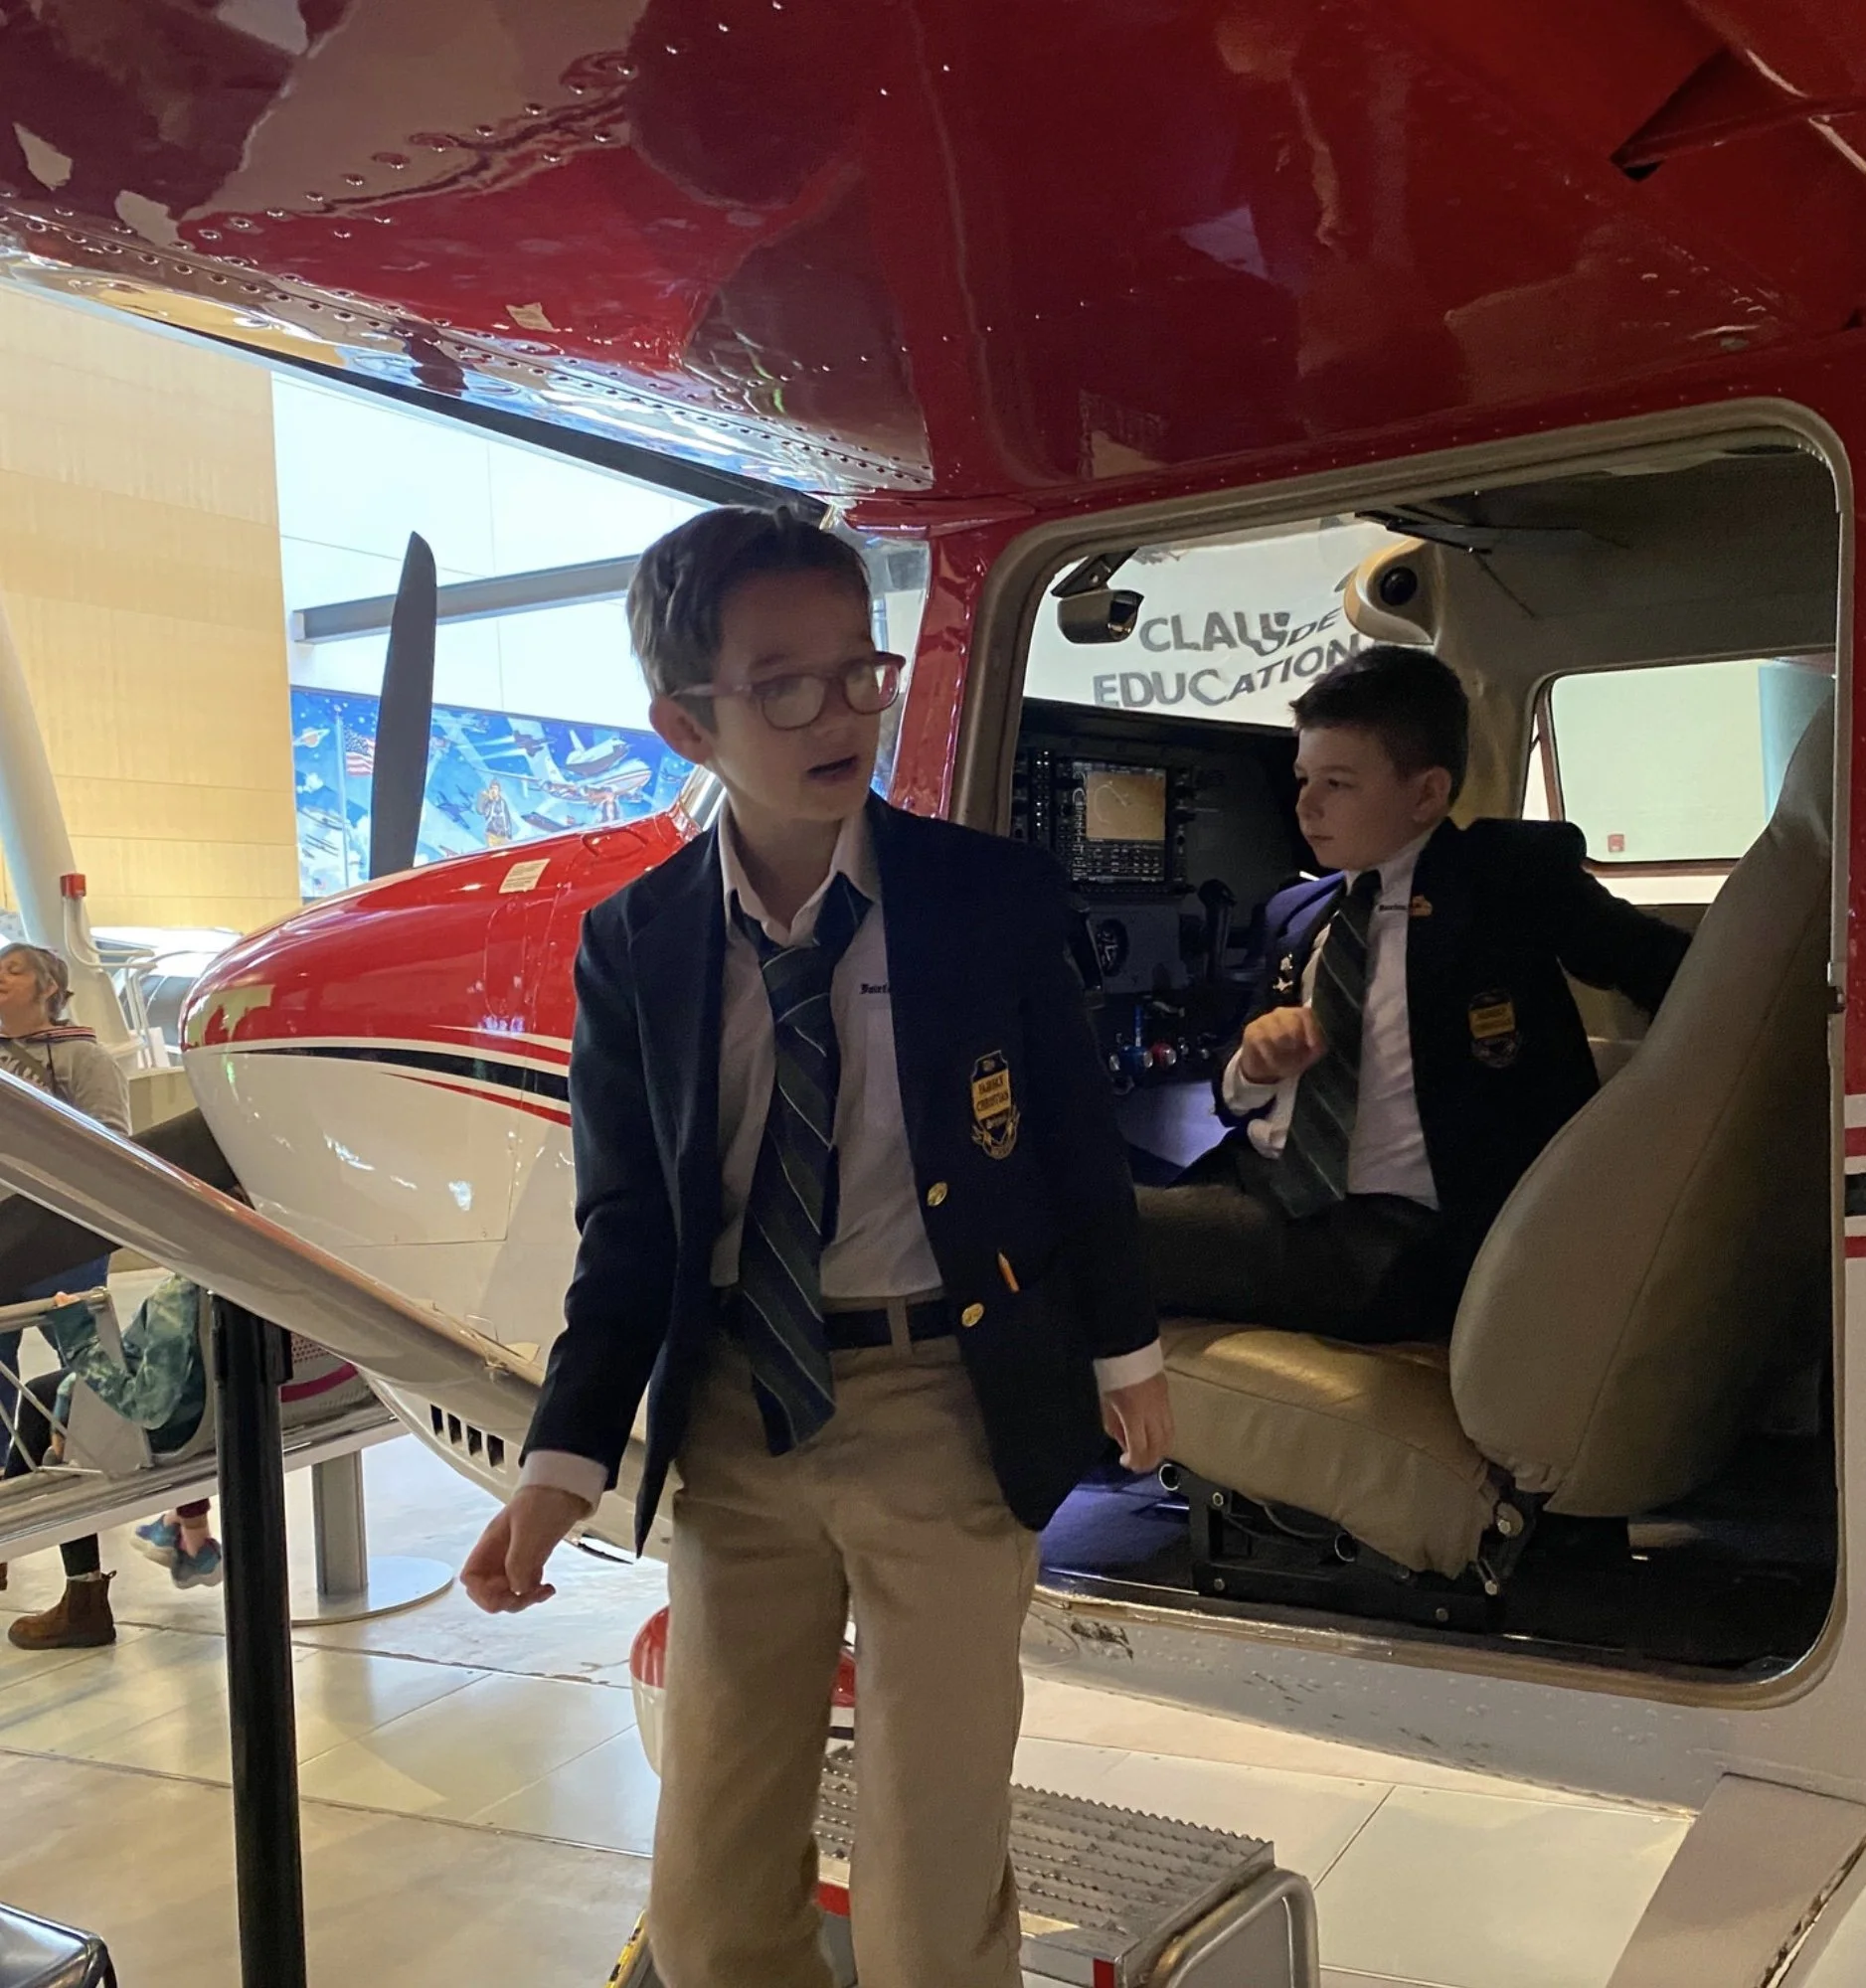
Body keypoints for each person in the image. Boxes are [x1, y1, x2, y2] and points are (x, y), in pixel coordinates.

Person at [457, 504, 1171, 1988]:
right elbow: (629, 1230)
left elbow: (1072, 1146)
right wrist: (558, 1465)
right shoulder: (637, 944)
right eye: (782, 683)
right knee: (714, 1898)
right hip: (738, 1423)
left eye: (860, 670)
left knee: (930, 1882)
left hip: (944, 1408)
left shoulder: (985, 899)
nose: (839, 711)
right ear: (682, 721)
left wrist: (1128, 1349)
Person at [1136, 645, 1691, 1345]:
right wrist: (1251, 1067)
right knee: (1082, 1200)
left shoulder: (1502, 881)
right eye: (1303, 777)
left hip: (1400, 1241)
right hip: (1269, 1195)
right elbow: (1228, 1094)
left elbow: (1668, 971)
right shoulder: (1299, 914)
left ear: (1427, 793)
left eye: (1338, 783)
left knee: (1090, 1227)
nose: (1305, 805)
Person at [4, 1276, 220, 1647]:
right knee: (46, 1391)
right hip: (226, 1414)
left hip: (171, 1431)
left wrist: (80, 1341)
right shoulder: (253, 1274)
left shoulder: (178, 1295)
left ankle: (80, 1598)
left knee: (66, 1425)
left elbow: (148, 1408)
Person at [0, 942, 128, 1480]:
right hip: (1, 1234)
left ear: (48, 987)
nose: (0, 978)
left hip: (59, 1239)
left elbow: (114, 1143)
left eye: (13, 970)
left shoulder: (83, 1058)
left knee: (88, 1370)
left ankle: (102, 1476)